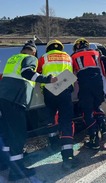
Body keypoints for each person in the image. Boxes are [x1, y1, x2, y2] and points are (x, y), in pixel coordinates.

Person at [0, 40, 57, 181]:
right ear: (34, 52)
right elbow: (27, 72)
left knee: (7, 133)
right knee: (18, 135)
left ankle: (4, 164)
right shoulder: (30, 58)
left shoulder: (12, 59)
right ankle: (16, 172)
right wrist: (48, 79)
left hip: (3, 98)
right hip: (16, 99)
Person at [37, 39, 78, 170]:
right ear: (61, 48)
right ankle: (67, 158)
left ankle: (53, 141)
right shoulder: (68, 57)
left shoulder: (44, 57)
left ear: (48, 48)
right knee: (66, 121)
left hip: (49, 90)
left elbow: (38, 72)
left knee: (50, 117)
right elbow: (72, 71)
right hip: (64, 89)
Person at [71, 38, 106, 150]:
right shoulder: (97, 53)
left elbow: (71, 73)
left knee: (87, 111)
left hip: (85, 85)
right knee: (97, 107)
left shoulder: (73, 56)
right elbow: (103, 70)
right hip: (98, 84)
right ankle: (104, 128)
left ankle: (94, 140)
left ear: (77, 47)